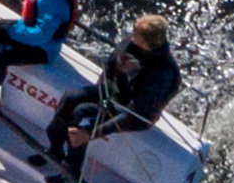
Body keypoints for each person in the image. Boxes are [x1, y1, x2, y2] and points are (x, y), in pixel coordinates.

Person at [48, 13, 180, 173]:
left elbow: (134, 114)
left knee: (82, 112)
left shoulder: (161, 75)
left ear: (144, 42)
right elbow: (111, 67)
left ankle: (72, 170)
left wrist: (90, 134)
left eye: (135, 34)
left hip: (132, 113)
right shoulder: (132, 44)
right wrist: (102, 91)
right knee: (70, 98)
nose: (131, 36)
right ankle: (55, 149)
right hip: (113, 94)